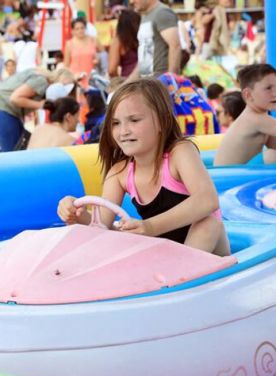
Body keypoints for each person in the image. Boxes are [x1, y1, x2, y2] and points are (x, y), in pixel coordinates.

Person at [58, 78, 230, 256]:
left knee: (207, 223)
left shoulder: (179, 153)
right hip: (166, 253)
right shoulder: (120, 173)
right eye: (116, 123)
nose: (124, 131)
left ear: (162, 121)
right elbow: (101, 226)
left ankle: (181, 274)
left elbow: (207, 200)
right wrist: (77, 215)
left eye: (134, 120)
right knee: (120, 234)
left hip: (209, 249)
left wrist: (150, 227)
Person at [0, 67, 75, 152]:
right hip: (5, 109)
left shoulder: (40, 78)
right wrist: (40, 105)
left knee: (18, 149)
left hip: (10, 112)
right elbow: (15, 98)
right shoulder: (41, 81)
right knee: (11, 153)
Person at [214, 64, 276, 166]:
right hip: (229, 178)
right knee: (271, 155)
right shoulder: (255, 119)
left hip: (235, 174)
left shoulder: (262, 121)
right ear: (248, 94)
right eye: (268, 88)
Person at [127, 0, 181, 80]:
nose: (131, 2)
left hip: (160, 82)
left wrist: (170, 81)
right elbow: (144, 57)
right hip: (148, 82)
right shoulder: (145, 15)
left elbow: (175, 46)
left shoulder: (162, 12)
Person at [64, 17, 103, 88]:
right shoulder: (69, 44)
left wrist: (98, 59)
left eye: (82, 28)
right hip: (76, 78)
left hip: (92, 76)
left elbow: (104, 55)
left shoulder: (94, 40)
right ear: (72, 30)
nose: (80, 31)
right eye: (77, 29)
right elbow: (66, 64)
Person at [108, 9, 140, 78]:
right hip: (146, 80)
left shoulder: (119, 41)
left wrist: (119, 84)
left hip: (128, 81)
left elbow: (112, 70)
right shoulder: (142, 37)